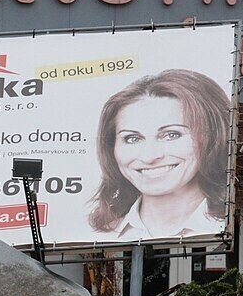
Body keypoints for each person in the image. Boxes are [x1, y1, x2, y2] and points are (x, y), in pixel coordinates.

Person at [88, 68, 230, 241]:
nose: (149, 156)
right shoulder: (97, 236)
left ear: (213, 137)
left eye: (171, 135)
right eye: (132, 138)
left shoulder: (227, 226)